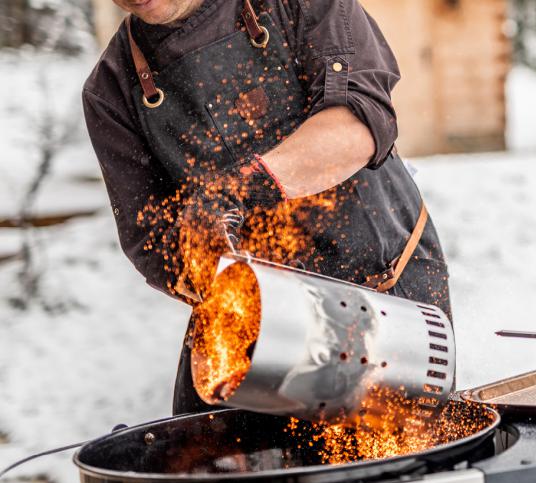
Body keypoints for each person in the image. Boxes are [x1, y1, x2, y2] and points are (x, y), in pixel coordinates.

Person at [82, 0, 450, 415]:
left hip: (386, 300)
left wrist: (241, 188)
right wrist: (200, 247)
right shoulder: (109, 91)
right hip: (255, 335)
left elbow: (357, 126)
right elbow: (150, 240)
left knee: (400, 462)